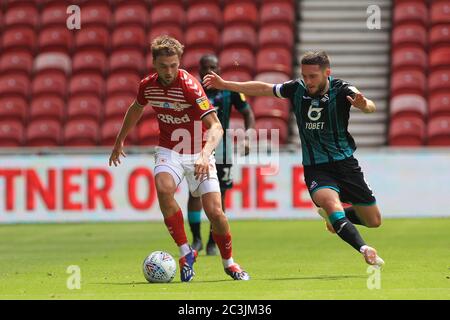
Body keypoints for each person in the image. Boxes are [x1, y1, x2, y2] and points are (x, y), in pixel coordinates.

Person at [203, 50, 384, 267]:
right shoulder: (296, 89)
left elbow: (370, 106)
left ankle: (336, 219)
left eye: (313, 76)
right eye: (304, 75)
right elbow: (263, 88)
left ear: (327, 73)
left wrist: (364, 105)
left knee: (373, 221)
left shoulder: (342, 89)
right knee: (331, 203)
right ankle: (364, 248)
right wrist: (226, 85)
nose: (307, 81)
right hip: (317, 168)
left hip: (346, 164)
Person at [109, 36, 250, 281]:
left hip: (198, 151)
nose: (169, 71)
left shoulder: (190, 86)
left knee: (216, 213)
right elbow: (136, 108)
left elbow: (216, 127)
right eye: (164, 66)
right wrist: (120, 139)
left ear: (179, 62)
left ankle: (229, 263)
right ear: (154, 63)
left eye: (174, 65)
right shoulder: (147, 85)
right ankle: (186, 252)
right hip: (169, 150)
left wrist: (206, 155)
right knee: (164, 189)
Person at [187, 54, 255, 255]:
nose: (210, 71)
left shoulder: (229, 90)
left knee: (220, 194)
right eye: (206, 68)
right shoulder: (193, 90)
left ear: (220, 70)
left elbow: (248, 113)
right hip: (197, 147)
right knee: (194, 192)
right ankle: (196, 239)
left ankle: (212, 241)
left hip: (222, 149)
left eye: (214, 67)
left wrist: (248, 136)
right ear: (199, 70)